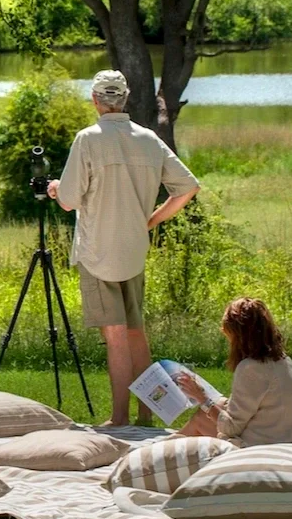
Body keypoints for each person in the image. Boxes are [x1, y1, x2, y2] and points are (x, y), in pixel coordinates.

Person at [47, 70, 199, 427]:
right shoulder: (149, 139)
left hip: (98, 252)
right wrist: (149, 221)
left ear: (95, 100)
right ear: (125, 98)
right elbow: (188, 188)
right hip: (134, 250)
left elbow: (69, 201)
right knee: (135, 333)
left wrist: (55, 189)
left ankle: (119, 420)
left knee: (115, 336)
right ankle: (146, 415)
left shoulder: (88, 139)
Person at [176, 297, 292, 446]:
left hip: (258, 443)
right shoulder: (284, 361)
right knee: (220, 403)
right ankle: (171, 444)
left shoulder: (251, 368)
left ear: (239, 336)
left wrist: (201, 397)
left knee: (200, 417)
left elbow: (231, 428)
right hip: (283, 435)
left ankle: (164, 450)